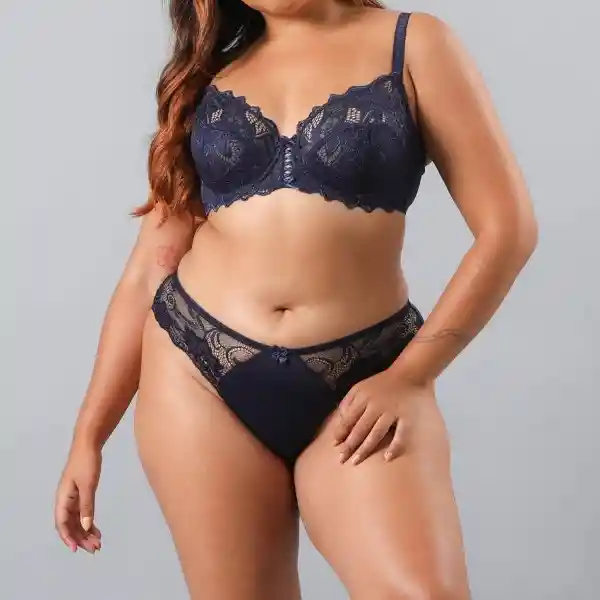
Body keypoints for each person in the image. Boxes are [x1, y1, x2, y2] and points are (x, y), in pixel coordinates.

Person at [54, 1, 537, 598]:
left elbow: (508, 230)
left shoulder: (414, 44)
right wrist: (89, 436)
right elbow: (147, 270)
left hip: (366, 376)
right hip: (198, 374)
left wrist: (411, 376)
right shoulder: (211, 74)